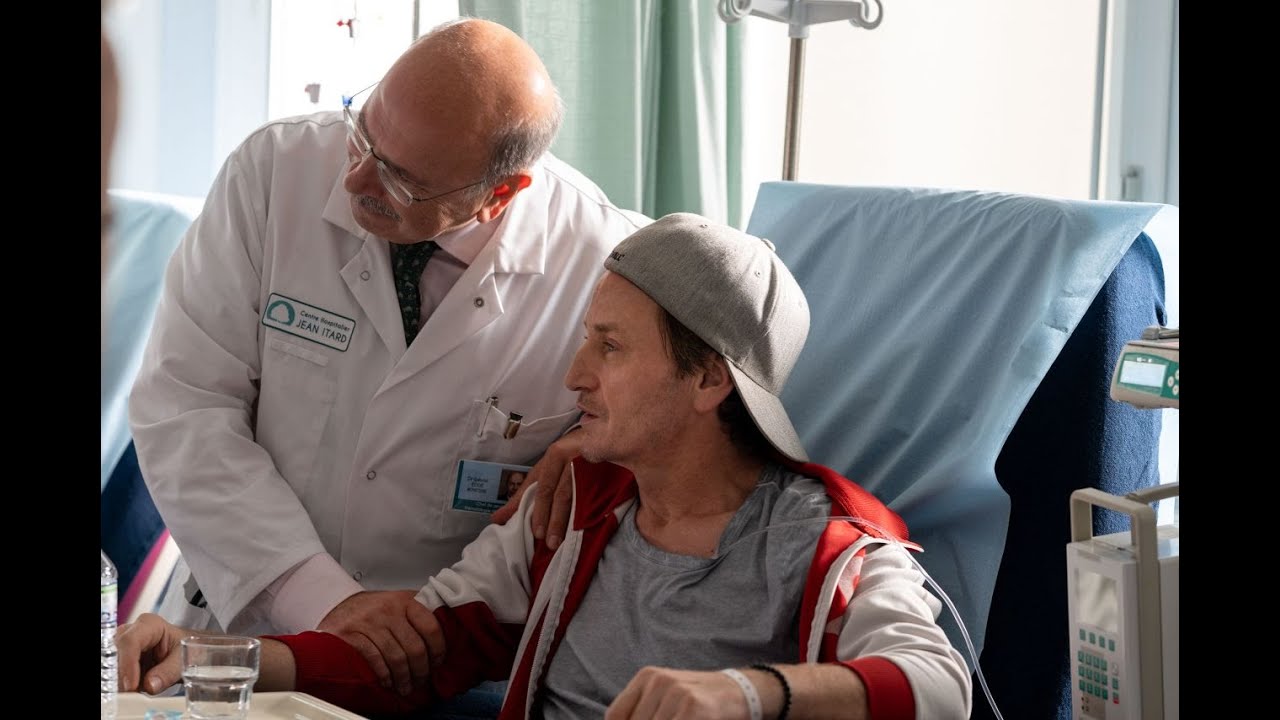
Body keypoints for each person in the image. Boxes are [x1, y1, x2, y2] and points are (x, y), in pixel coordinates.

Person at [118, 213, 974, 719]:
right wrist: (203, 658)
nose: (574, 375)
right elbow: (413, 652)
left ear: (710, 380)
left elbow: (939, 688)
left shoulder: (826, 549)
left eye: (610, 346)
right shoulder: (572, 513)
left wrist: (749, 696)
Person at [126, 17, 649, 696]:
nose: (354, 179)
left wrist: (608, 439)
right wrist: (322, 598)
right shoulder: (274, 172)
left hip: (438, 660)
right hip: (247, 610)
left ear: (499, 195)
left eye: (401, 179)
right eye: (363, 132)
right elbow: (185, 404)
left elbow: (742, 333)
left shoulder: (602, 263)